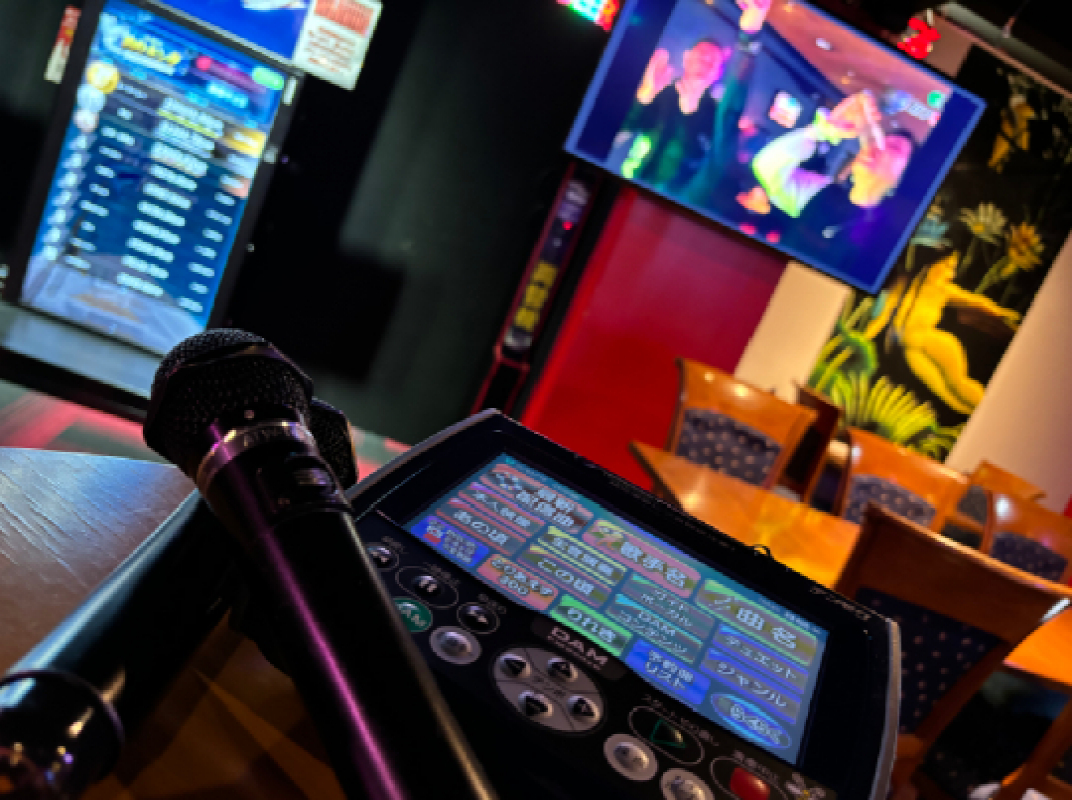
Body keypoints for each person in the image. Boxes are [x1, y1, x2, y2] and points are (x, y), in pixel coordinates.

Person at [750, 90, 914, 219]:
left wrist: (823, 130)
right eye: (882, 143)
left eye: (894, 149)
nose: (875, 149)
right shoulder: (819, 198)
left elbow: (764, 167)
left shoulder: (886, 238)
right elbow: (765, 167)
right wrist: (825, 130)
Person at [892, 251, 1020, 414]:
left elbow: (974, 301)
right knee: (945, 394)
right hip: (911, 349)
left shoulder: (943, 290)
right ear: (931, 263)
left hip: (931, 340)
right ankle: (981, 417)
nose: (951, 274)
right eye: (947, 267)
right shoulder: (905, 285)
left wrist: (1000, 312)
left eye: (952, 268)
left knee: (958, 384)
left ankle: (996, 412)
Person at [615, 38, 729, 193]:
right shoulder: (661, 91)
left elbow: (705, 165)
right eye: (702, 55)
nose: (705, 62)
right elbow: (618, 138)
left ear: (718, 73)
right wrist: (643, 98)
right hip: (626, 182)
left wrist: (690, 118)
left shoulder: (717, 116)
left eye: (712, 61)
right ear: (686, 58)